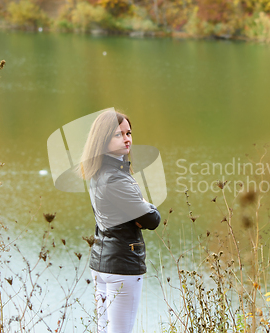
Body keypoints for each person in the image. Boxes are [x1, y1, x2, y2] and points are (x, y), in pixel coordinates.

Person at [78, 108, 161, 333]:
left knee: (104, 330)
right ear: (103, 139)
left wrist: (139, 208)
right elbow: (152, 219)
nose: (126, 139)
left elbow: (138, 214)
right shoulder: (114, 176)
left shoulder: (99, 169)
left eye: (128, 133)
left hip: (102, 262)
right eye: (118, 134)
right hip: (122, 264)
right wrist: (146, 206)